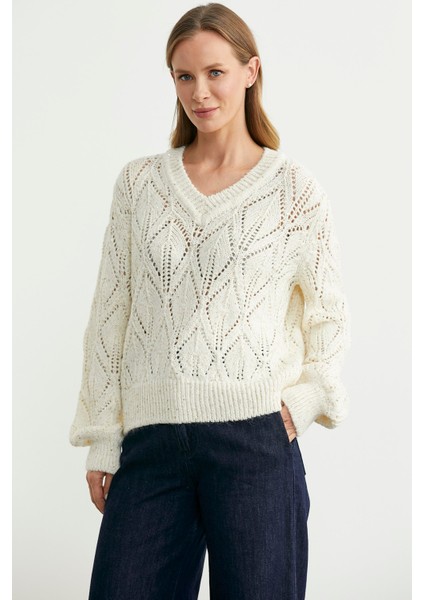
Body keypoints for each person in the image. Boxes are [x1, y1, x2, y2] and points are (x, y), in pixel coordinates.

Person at [69, 3, 351, 599]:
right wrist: (103, 437)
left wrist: (304, 402)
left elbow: (329, 317)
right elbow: (110, 316)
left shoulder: (294, 191)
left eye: (215, 72)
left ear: (251, 71)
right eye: (184, 76)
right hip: (150, 446)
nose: (200, 92)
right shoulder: (139, 185)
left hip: (255, 445)